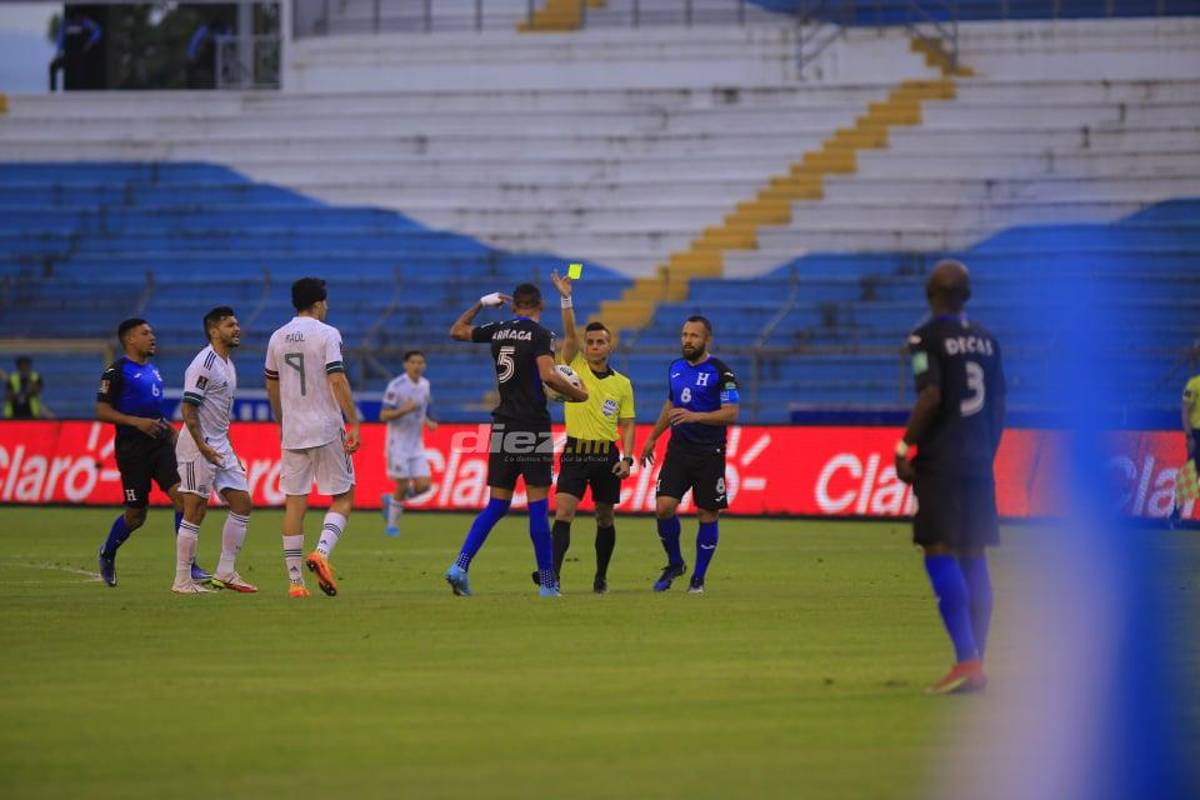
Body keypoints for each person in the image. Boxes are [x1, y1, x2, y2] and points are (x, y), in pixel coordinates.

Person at [893, 259, 1006, 695]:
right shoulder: (988, 341)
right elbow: (998, 407)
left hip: (941, 461)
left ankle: (966, 660)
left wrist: (905, 446)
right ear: (968, 295)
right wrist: (986, 452)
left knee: (938, 548)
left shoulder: (924, 337)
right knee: (974, 553)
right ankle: (978, 659)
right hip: (978, 460)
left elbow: (931, 396)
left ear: (930, 295)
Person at [443, 283, 588, 597]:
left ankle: (460, 566)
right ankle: (547, 584)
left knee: (497, 504)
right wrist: (578, 395)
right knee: (537, 507)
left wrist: (481, 303)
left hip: (503, 424)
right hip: (532, 426)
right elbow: (548, 375)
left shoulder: (499, 329)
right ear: (540, 306)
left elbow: (457, 331)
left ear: (513, 307)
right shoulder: (541, 335)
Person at [531, 270, 636, 594]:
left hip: (606, 455)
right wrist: (566, 298)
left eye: (600, 342)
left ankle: (600, 576)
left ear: (609, 346)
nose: (593, 346)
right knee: (564, 511)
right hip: (576, 451)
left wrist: (627, 458)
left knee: (604, 517)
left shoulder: (622, 384)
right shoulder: (573, 365)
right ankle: (553, 576)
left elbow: (627, 424)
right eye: (590, 342)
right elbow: (568, 333)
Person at [265, 278, 361, 598]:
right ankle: (321, 552)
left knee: (295, 505)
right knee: (344, 497)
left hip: (293, 431)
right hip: (325, 427)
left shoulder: (277, 337)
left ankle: (295, 583)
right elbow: (337, 378)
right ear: (319, 304)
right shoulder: (327, 333)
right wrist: (354, 421)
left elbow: (272, 386)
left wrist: (282, 421)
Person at [96, 318, 209, 588]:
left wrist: (171, 431)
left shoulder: (153, 370)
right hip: (132, 450)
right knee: (136, 516)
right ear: (130, 339)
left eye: (152, 333)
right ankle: (108, 551)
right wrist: (137, 423)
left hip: (159, 444)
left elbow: (152, 412)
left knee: (183, 498)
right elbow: (102, 411)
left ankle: (188, 565)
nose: (152, 337)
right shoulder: (116, 371)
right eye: (145, 333)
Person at [639, 316, 739, 594]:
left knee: (707, 513)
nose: (687, 340)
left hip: (709, 453)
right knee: (664, 507)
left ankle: (698, 578)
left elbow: (731, 413)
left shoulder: (722, 373)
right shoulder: (676, 368)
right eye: (684, 335)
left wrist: (696, 416)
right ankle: (675, 563)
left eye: (694, 336)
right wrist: (653, 437)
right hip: (678, 451)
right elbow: (671, 404)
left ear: (707, 339)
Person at [173, 307, 256, 594]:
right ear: (213, 330)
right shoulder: (204, 363)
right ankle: (182, 580)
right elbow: (188, 408)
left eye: (237, 324)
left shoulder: (228, 364)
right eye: (230, 325)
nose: (237, 329)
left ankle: (226, 572)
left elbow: (220, 413)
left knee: (242, 503)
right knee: (195, 510)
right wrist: (203, 446)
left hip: (220, 444)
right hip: (199, 446)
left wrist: (228, 447)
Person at [379, 350, 437, 537]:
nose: (417, 366)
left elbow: (422, 409)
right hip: (397, 444)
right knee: (402, 485)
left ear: (424, 366)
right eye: (413, 362)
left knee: (424, 486)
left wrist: (428, 421)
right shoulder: (396, 386)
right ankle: (392, 526)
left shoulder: (425, 385)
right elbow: (383, 415)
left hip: (416, 445)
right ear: (406, 365)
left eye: (420, 362)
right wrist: (404, 410)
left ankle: (392, 501)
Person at [1168, 372, 1200, 527]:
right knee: (1190, 474)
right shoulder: (1194, 383)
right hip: (1197, 434)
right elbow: (1185, 411)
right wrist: (1189, 436)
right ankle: (1175, 514)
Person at [49, 11, 103, 92]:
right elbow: (60, 40)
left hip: (81, 55)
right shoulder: (66, 24)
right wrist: (58, 54)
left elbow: (98, 30)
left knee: (80, 76)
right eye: (74, 18)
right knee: (54, 67)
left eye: (77, 17)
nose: (76, 19)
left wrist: (90, 42)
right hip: (69, 55)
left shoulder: (85, 22)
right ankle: (53, 92)